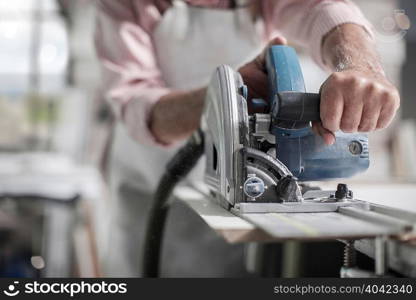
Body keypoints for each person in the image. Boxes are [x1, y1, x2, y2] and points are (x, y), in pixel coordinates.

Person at [94, 0, 400, 277]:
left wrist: (358, 65)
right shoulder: (121, 6)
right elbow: (140, 107)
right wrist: (225, 99)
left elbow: (324, 10)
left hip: (244, 191)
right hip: (152, 189)